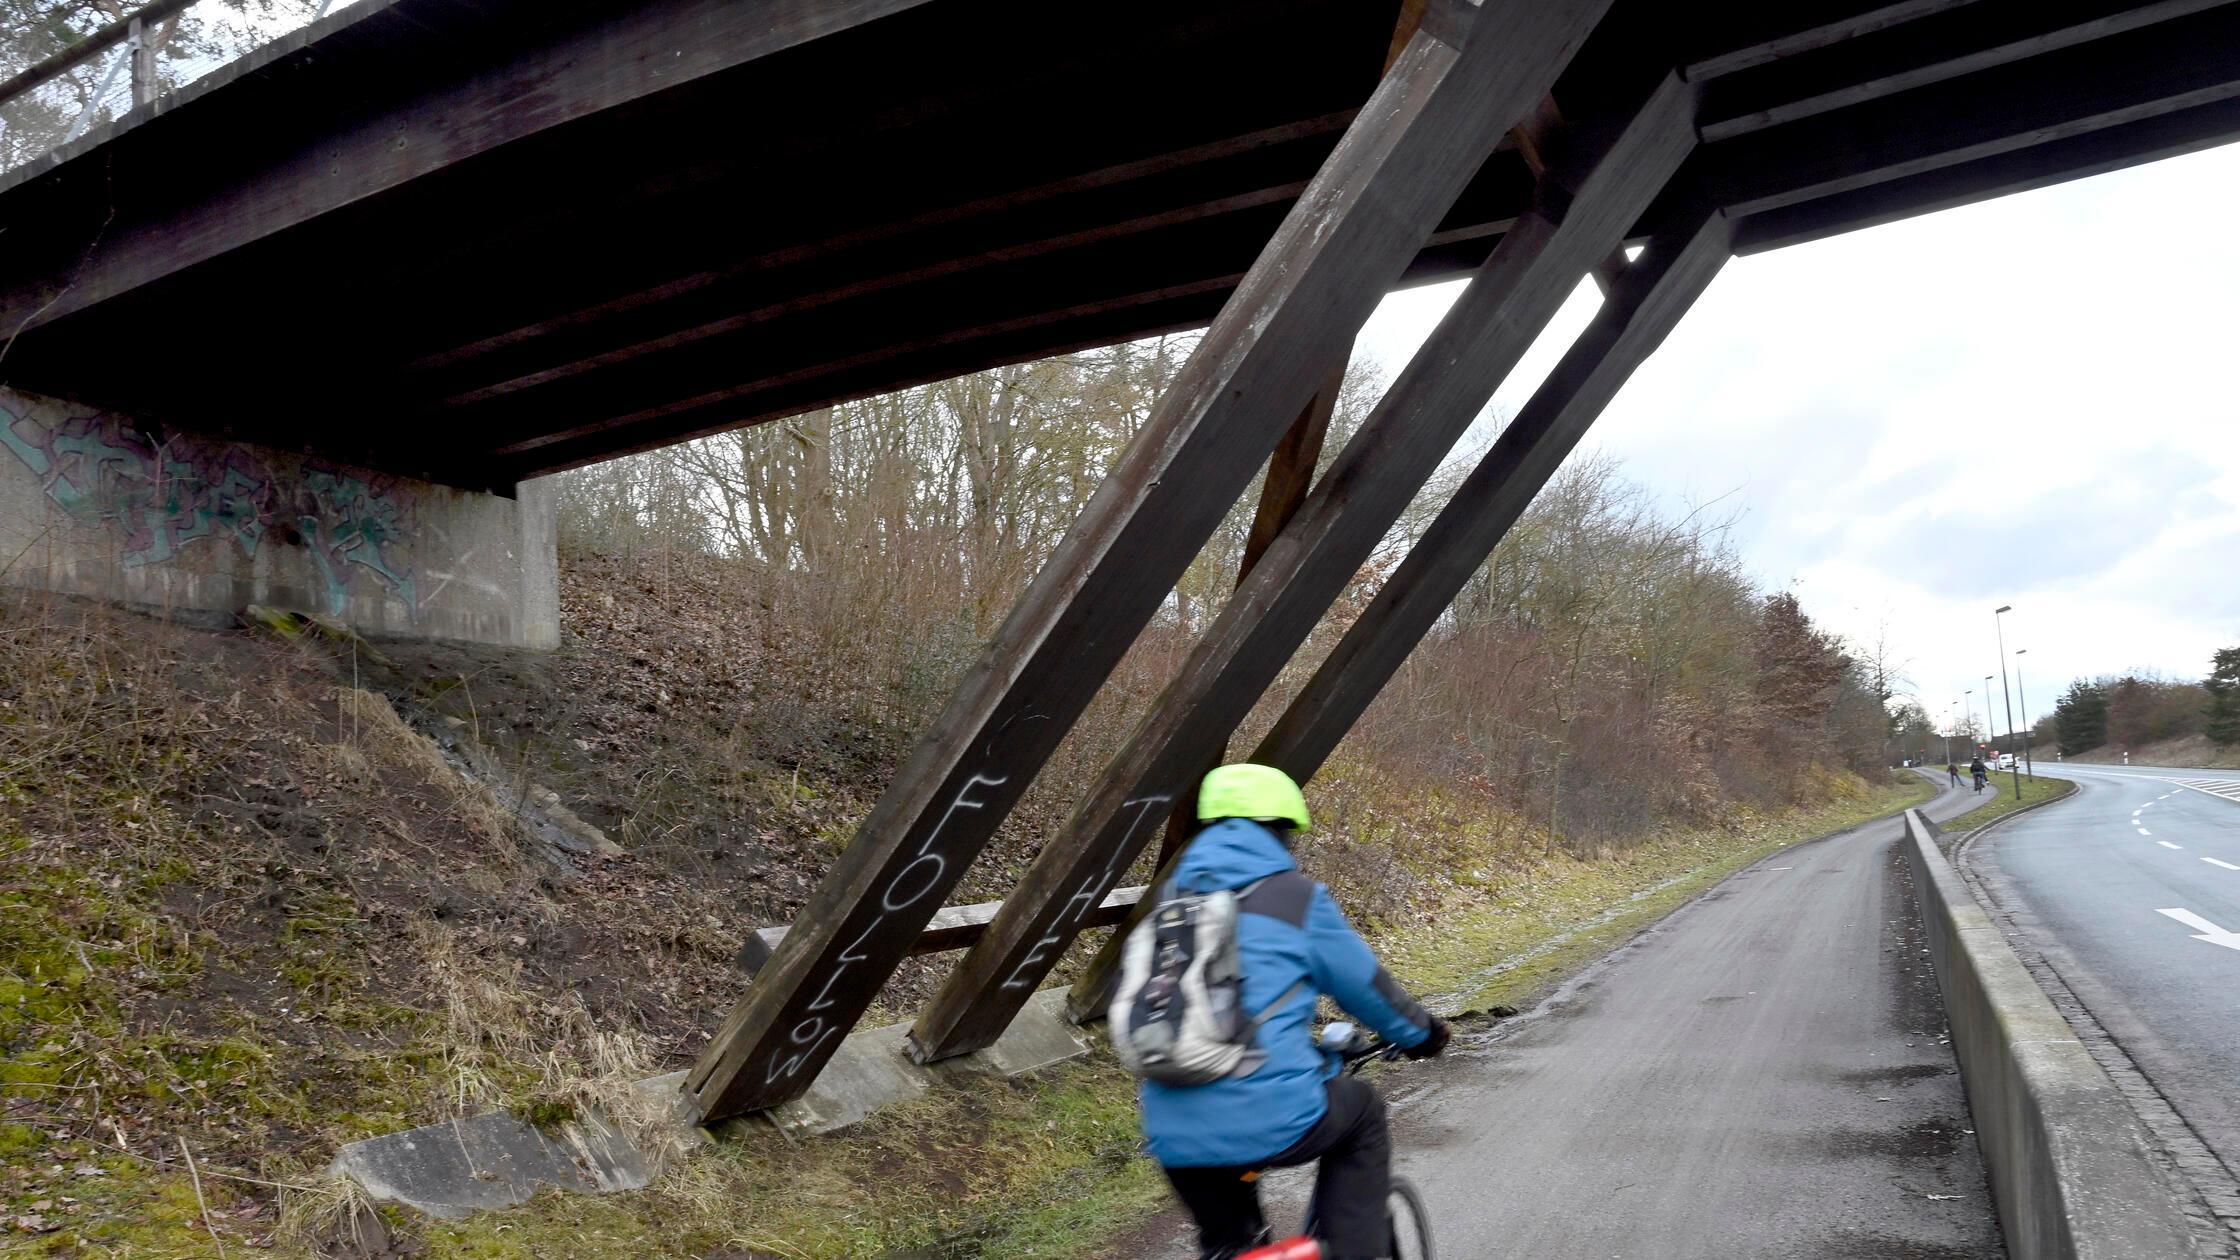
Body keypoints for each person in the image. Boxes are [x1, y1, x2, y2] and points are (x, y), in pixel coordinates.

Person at [1138, 763, 1448, 1260]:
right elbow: (1366, 987)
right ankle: (1354, 1252)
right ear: (1280, 833)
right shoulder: (1294, 899)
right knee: (1363, 1110)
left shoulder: (1172, 906)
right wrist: (1424, 1035)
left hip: (1172, 1127)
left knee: (1229, 1245)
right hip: (1271, 1113)